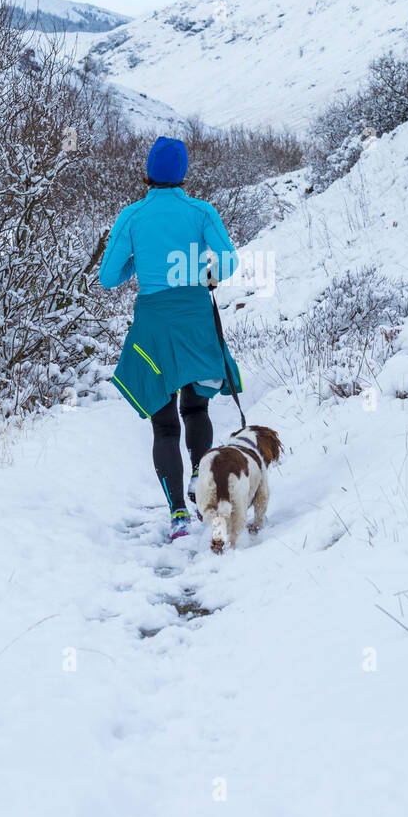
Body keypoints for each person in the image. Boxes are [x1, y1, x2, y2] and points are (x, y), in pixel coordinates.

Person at [98, 136, 243, 540]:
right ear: (182, 174)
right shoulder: (201, 211)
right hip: (196, 317)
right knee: (196, 411)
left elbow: (108, 278)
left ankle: (178, 513)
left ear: (148, 172)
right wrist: (205, 276)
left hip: (154, 325)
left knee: (164, 427)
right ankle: (200, 477)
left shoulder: (132, 216)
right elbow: (229, 261)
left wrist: (138, 265)